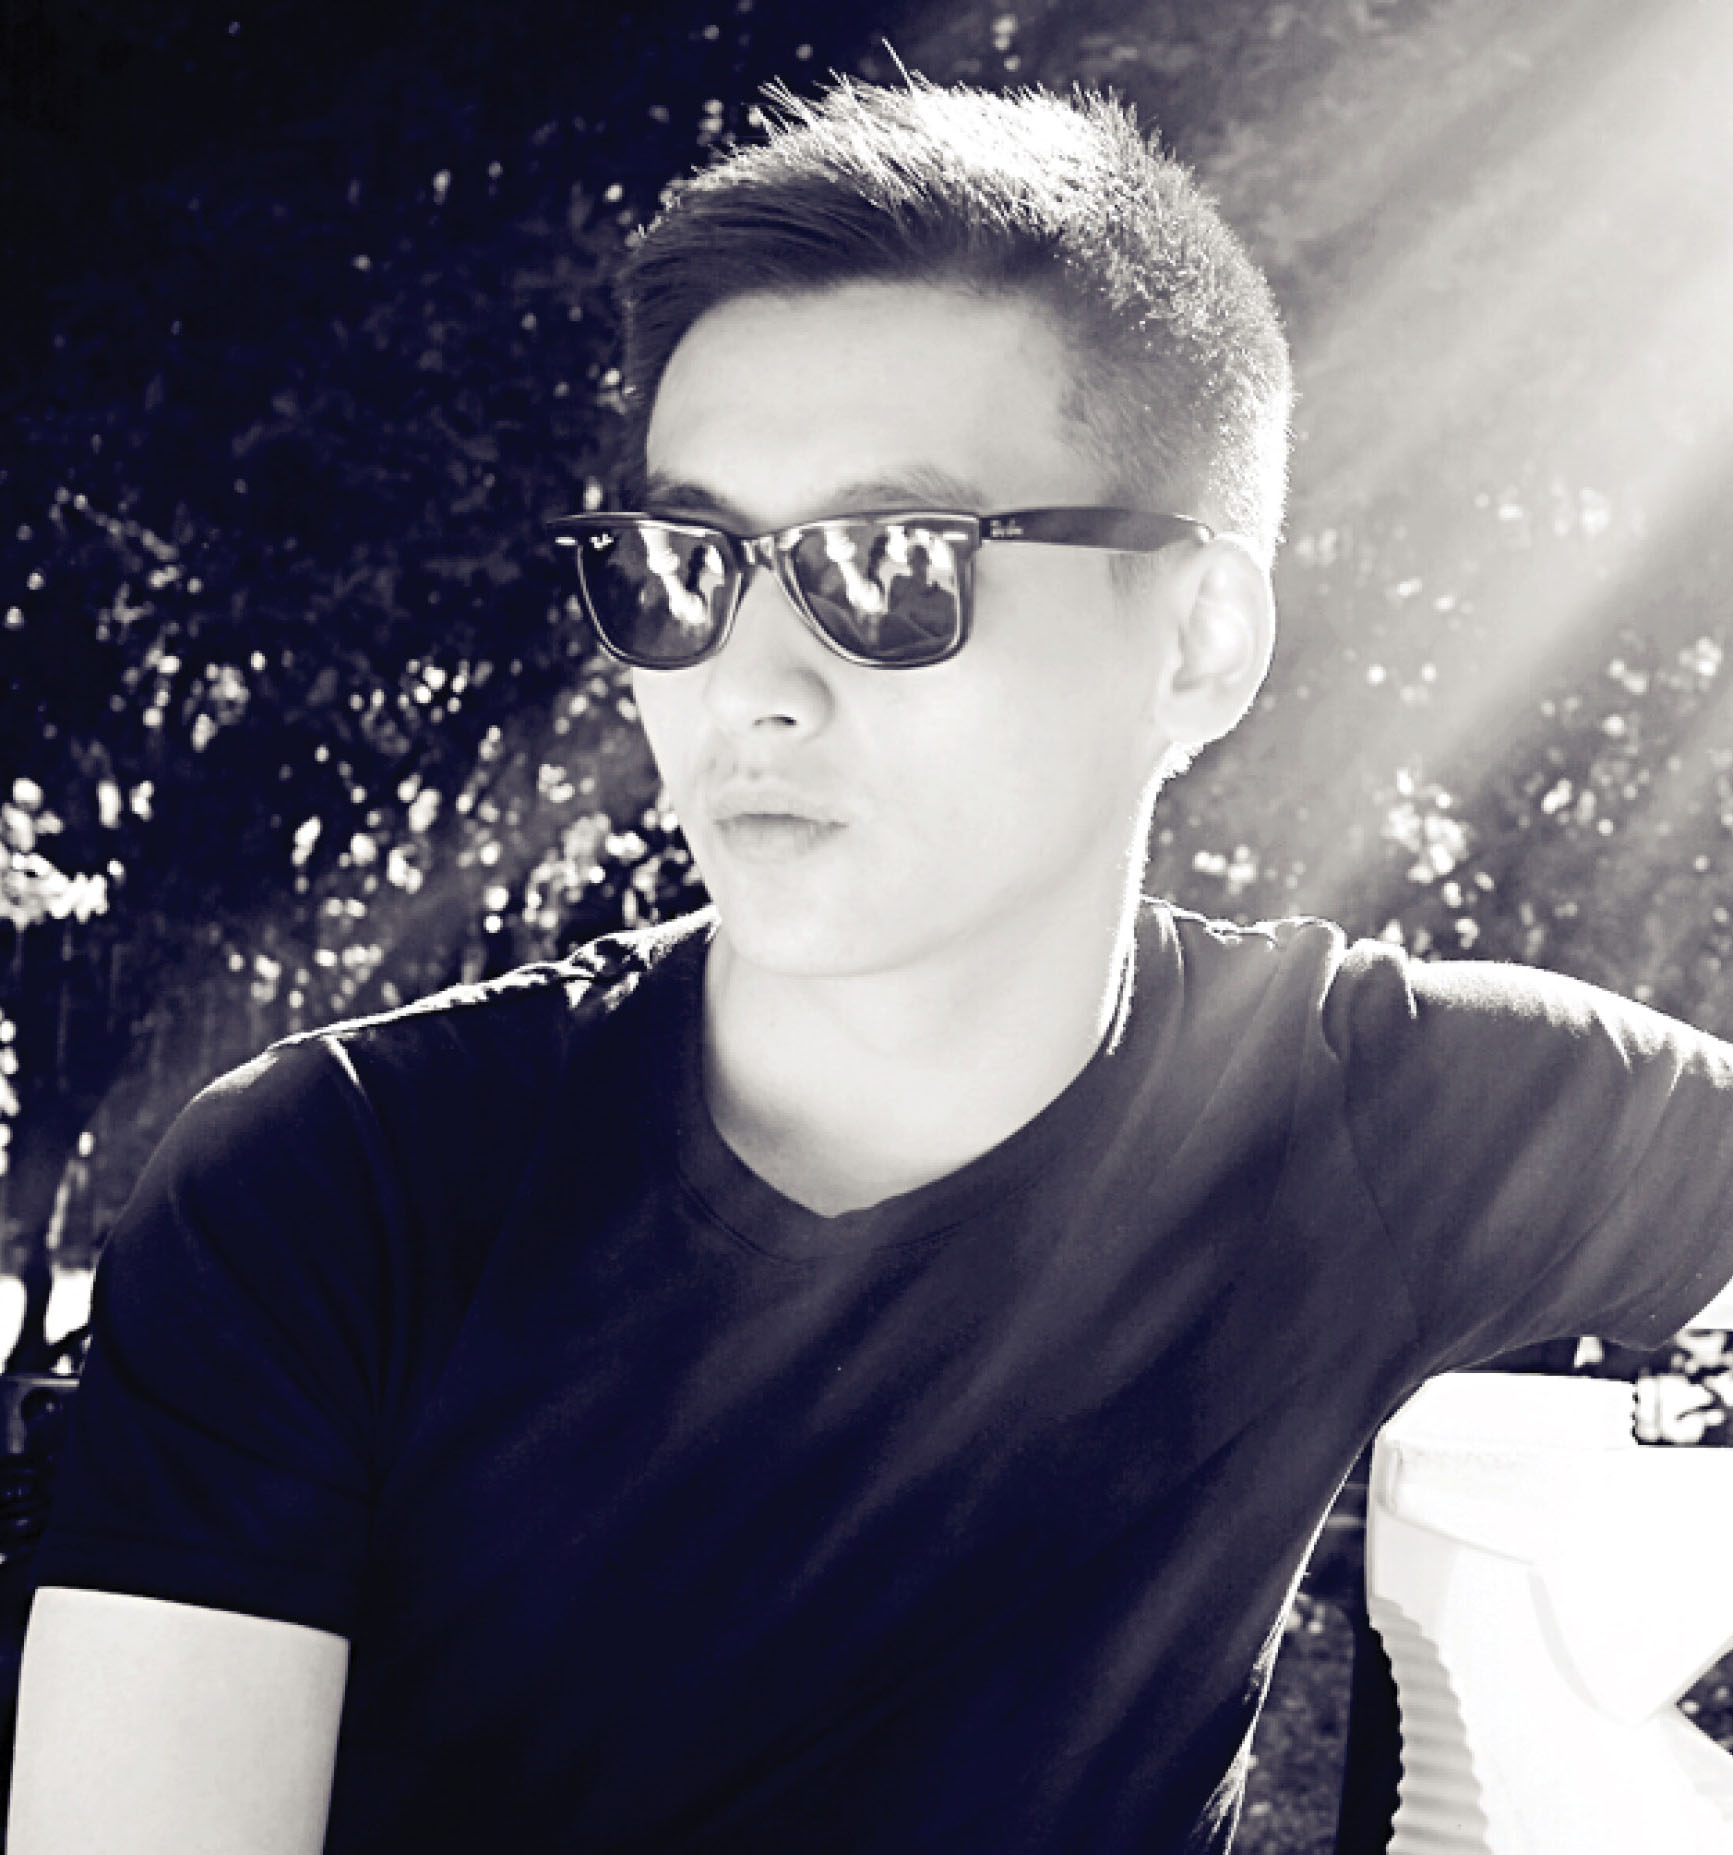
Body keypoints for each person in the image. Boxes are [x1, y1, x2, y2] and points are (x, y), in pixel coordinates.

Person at [11, 76, 1733, 1855]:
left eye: (890, 568)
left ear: (1199, 642)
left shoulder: (1375, 1115)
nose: (747, 685)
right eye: (681, 567)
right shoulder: (335, 1187)